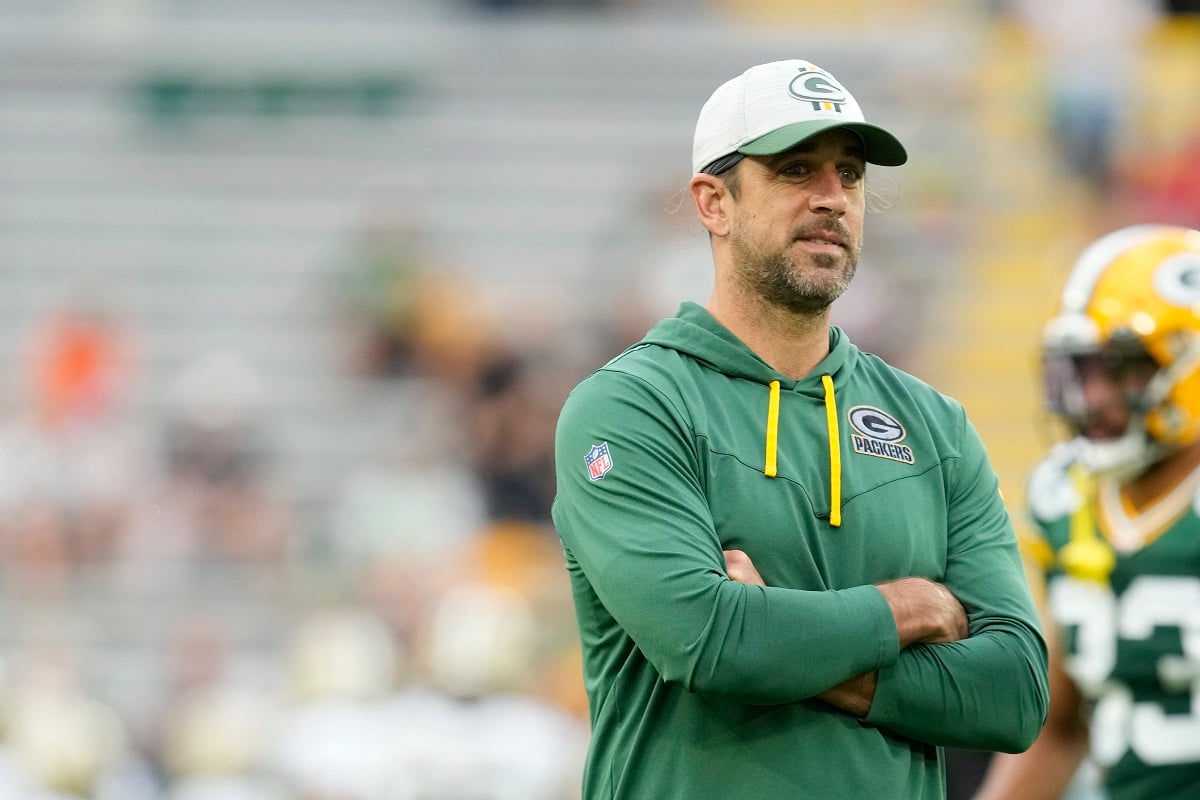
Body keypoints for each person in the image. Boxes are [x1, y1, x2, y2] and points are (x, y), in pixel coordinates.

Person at [551, 58, 1050, 800]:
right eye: (795, 169)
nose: (833, 198)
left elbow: (1015, 694)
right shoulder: (631, 407)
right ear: (713, 202)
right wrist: (908, 608)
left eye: (849, 174)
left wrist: (787, 642)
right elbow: (712, 641)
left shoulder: (934, 426)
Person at [973, 224, 1200, 800]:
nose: (1092, 397)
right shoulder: (1066, 494)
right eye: (1083, 370)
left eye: (1120, 369)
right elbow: (1063, 725)